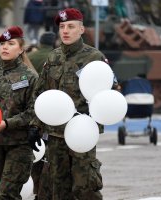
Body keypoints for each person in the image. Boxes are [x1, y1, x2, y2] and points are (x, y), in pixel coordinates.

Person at [28, 8, 108, 199]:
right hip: (55, 133)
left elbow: (108, 93)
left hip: (82, 132)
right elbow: (40, 93)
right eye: (62, 27)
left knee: (85, 185)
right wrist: (34, 126)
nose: (65, 30)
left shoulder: (94, 58)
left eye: (71, 26)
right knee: (58, 186)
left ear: (81, 29)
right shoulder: (53, 57)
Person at [0, 26, 38, 200]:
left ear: (21, 49)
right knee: (3, 191)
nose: (5, 47)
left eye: (11, 44)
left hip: (19, 144)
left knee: (7, 194)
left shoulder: (30, 77)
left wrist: (7, 123)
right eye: (2, 44)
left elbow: (34, 112)